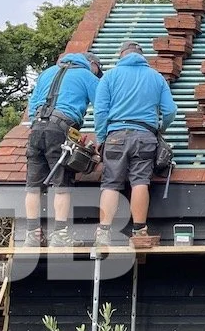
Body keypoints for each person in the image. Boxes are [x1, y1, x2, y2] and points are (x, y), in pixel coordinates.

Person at [93, 40, 177, 247]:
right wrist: (160, 129)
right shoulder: (156, 77)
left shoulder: (110, 76)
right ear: (142, 57)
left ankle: (104, 233)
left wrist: (102, 138)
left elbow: (100, 111)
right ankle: (139, 231)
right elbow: (170, 111)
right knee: (140, 182)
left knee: (111, 184)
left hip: (115, 135)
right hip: (145, 135)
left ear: (122, 55)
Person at [24, 51, 102, 247]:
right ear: (91, 64)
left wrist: (37, 122)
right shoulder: (86, 76)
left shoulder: (48, 72)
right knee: (62, 184)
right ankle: (60, 235)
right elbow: (102, 105)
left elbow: (32, 104)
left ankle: (32, 236)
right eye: (98, 70)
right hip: (60, 130)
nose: (97, 74)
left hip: (36, 128)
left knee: (33, 186)